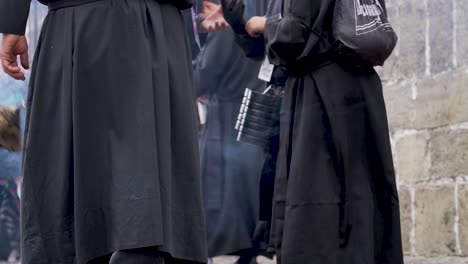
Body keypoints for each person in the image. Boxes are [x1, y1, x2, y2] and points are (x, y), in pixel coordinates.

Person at [0, 0, 207, 263]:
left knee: (70, 198)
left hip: (82, 23)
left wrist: (12, 22)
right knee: (154, 185)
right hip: (155, 26)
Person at [244, 0, 405, 263]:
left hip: (322, 94)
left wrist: (262, 24)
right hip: (360, 89)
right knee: (359, 196)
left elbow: (294, 35)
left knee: (320, 199)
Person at [193, 1, 269, 263]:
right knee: (248, 193)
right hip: (256, 112)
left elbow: (205, 73)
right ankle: (250, 252)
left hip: (228, 117)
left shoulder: (227, 24)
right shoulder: (257, 11)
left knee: (225, 196)